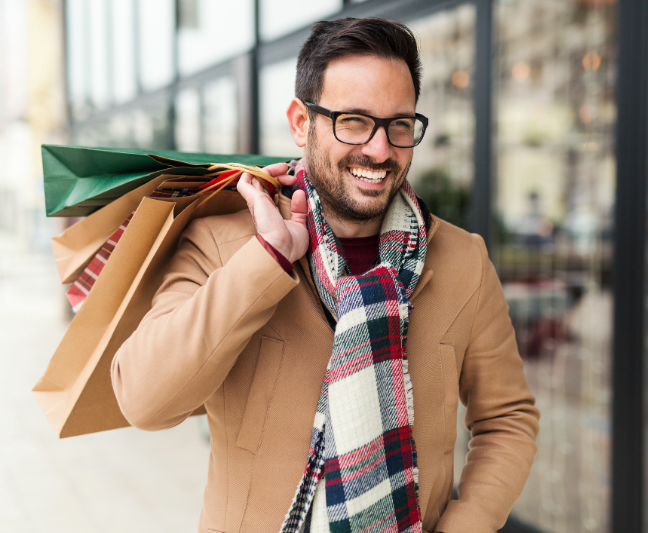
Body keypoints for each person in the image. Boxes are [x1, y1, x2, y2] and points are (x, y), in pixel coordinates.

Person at [112, 17, 539, 533]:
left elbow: (507, 419)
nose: (380, 150)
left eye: (399, 125)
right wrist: (264, 260)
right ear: (300, 122)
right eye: (354, 121)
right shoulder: (223, 244)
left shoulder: (463, 260)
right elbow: (143, 400)